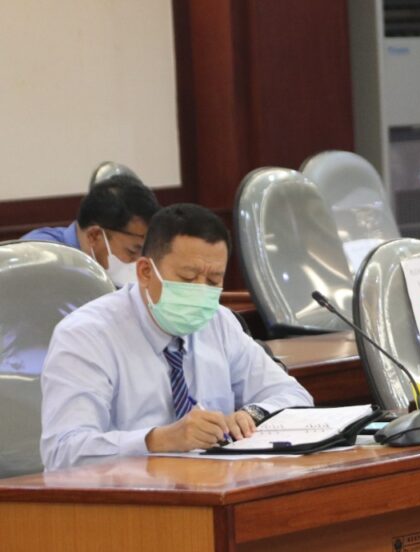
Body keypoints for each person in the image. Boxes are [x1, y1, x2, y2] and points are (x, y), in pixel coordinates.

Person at [40, 203, 313, 470]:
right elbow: (63, 451)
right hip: (126, 493)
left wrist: (252, 414)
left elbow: (294, 395)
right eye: (188, 277)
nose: (201, 291)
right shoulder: (86, 336)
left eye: (213, 281)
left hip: (215, 484)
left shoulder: (219, 322)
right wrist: (158, 440)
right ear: (145, 272)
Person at [21, 176, 160, 287]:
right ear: (94, 236)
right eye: (132, 251)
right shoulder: (38, 258)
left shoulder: (107, 269)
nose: (140, 260)